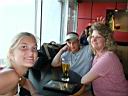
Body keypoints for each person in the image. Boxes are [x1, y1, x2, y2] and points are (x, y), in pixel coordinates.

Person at [79, 22, 128, 96]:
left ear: (106, 40)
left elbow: (84, 80)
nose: (94, 39)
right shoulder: (97, 56)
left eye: (98, 37)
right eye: (92, 36)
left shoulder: (108, 58)